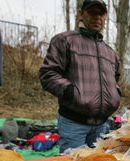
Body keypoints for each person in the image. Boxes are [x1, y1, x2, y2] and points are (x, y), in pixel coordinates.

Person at [39, 0, 120, 152]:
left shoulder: (110, 52)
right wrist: (70, 91)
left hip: (102, 125)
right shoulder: (65, 41)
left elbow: (115, 79)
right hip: (73, 124)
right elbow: (47, 73)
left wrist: (116, 92)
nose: (97, 17)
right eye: (92, 12)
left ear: (105, 17)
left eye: (101, 13)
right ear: (81, 14)